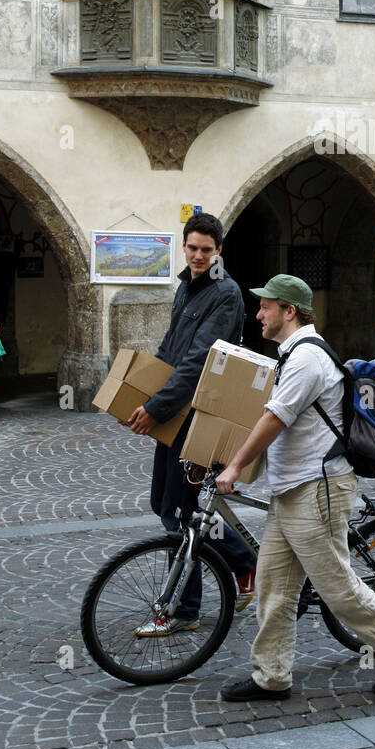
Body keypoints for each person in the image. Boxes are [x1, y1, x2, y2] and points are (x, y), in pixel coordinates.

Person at [215, 274, 375, 702]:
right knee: (274, 587)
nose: (258, 315)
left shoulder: (308, 358)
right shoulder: (291, 355)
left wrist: (235, 465)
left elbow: (275, 417)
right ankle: (271, 676)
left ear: (289, 311)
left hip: (318, 490)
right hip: (292, 490)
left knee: (338, 589)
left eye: (266, 307)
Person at [127, 213, 256, 632]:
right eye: (192, 247)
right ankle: (244, 562)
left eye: (206, 249)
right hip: (175, 415)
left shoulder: (226, 293)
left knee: (179, 512)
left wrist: (157, 407)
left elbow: (200, 360)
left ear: (219, 250)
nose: (198, 255)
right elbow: (170, 349)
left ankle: (185, 610)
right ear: (183, 246)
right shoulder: (187, 286)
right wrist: (143, 391)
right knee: (165, 505)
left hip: (199, 418)